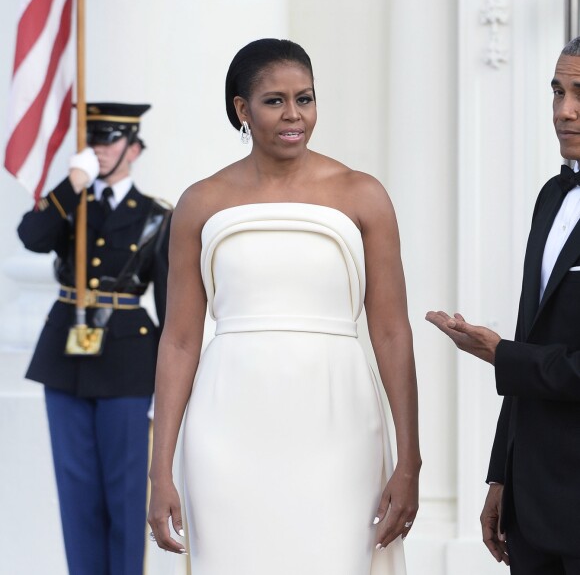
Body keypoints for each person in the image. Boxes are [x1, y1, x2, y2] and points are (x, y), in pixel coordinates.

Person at [147, 38, 420, 575]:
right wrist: (161, 470)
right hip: (225, 430)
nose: (295, 115)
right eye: (275, 101)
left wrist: (409, 458)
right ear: (242, 110)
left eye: (306, 98)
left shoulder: (362, 194)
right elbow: (179, 341)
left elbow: (392, 333)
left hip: (340, 427)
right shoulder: (201, 202)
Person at [426, 37, 580, 574]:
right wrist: (501, 477)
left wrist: (502, 355)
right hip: (532, 504)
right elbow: (531, 333)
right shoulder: (550, 197)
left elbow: (526, 354)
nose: (564, 111)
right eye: (557, 92)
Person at [18, 102, 171, 575]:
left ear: (135, 148)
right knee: (76, 493)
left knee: (125, 495)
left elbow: (169, 309)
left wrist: (168, 390)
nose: (100, 150)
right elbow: (31, 236)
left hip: (127, 364)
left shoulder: (156, 217)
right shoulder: (71, 203)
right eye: (94, 141)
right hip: (65, 358)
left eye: (109, 140)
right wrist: (72, 184)